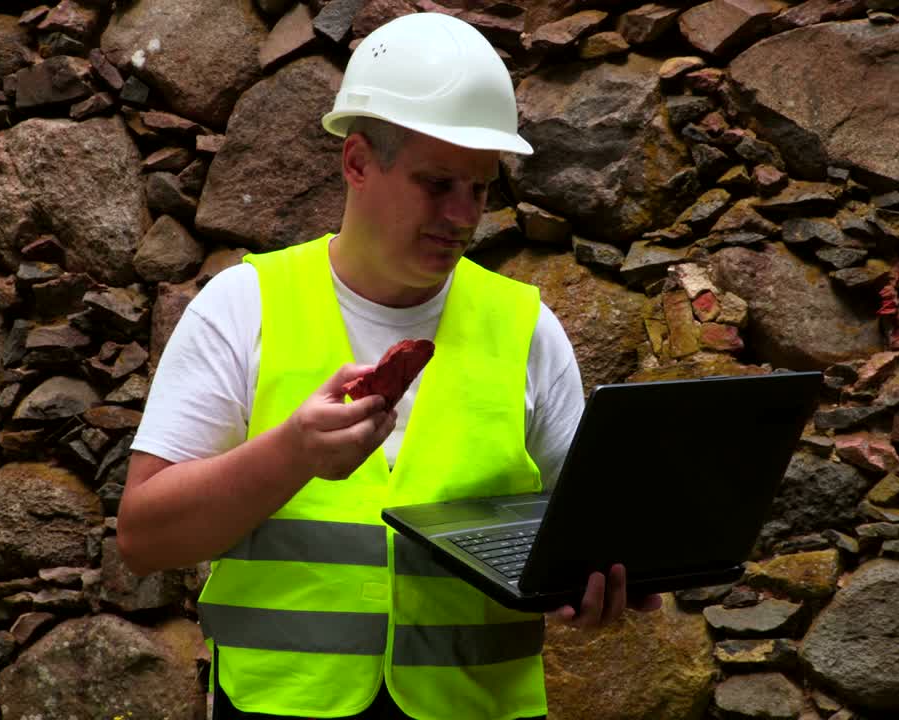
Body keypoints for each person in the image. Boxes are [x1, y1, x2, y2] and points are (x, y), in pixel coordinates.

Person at [118, 12, 661, 720]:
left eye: (480, 188)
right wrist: (290, 454)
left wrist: (597, 581)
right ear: (357, 162)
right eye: (437, 183)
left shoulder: (527, 329)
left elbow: (586, 536)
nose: (462, 215)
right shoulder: (243, 307)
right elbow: (143, 539)